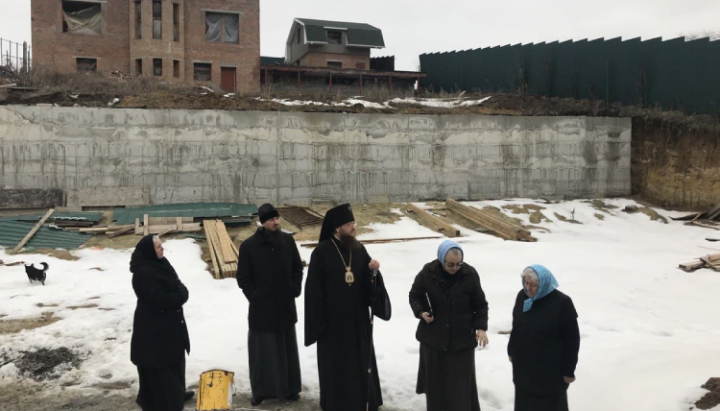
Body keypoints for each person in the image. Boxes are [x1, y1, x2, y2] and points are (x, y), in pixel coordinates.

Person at [304, 203, 392, 411]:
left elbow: (369, 287)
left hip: (357, 321)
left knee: (359, 364)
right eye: (349, 224)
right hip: (333, 325)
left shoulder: (359, 249)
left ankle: (364, 400)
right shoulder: (321, 253)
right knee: (337, 368)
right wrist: (320, 325)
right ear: (337, 228)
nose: (354, 227)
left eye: (354, 223)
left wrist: (373, 273)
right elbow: (313, 293)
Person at [409, 240, 489, 411]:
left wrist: (481, 328)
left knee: (459, 389)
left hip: (461, 341)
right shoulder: (428, 272)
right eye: (450, 264)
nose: (454, 268)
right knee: (437, 388)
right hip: (434, 339)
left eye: (458, 264)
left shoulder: (470, 274)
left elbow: (480, 305)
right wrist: (422, 312)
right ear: (441, 259)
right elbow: (415, 295)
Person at [236, 203, 304, 406]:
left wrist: (294, 288)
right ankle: (262, 392)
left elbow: (297, 268)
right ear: (263, 222)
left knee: (286, 351)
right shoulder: (249, 246)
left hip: (284, 307)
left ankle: (290, 389)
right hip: (262, 310)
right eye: (271, 220)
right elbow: (243, 278)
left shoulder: (288, 241)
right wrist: (255, 296)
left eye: (277, 219)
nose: (276, 222)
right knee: (262, 354)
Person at [130, 235, 193, 411]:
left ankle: (177, 393)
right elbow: (161, 300)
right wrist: (181, 295)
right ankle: (167, 401)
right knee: (160, 373)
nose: (162, 249)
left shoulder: (161, 264)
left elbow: (178, 284)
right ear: (149, 251)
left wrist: (180, 293)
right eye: (158, 247)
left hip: (169, 330)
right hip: (154, 335)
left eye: (161, 245)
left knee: (174, 366)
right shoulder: (142, 274)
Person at [508, 265, 580, 411]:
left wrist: (568, 371)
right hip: (523, 371)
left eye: (533, 285)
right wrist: (512, 349)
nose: (528, 288)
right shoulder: (522, 297)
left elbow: (572, 340)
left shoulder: (562, 303)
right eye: (526, 283)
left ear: (544, 284)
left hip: (550, 374)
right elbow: (517, 327)